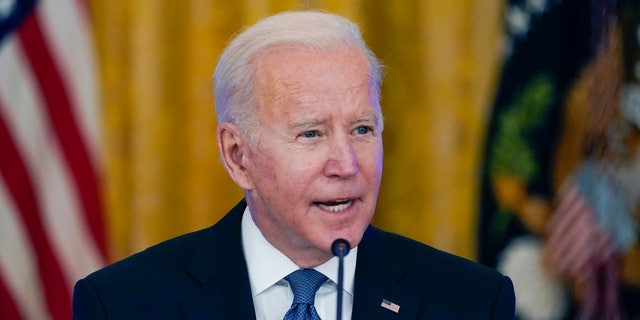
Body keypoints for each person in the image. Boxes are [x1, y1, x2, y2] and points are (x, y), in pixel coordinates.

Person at [72, 10, 516, 319]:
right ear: (237, 155)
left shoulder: (473, 301)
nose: (346, 164)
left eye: (362, 129)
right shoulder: (124, 304)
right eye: (311, 134)